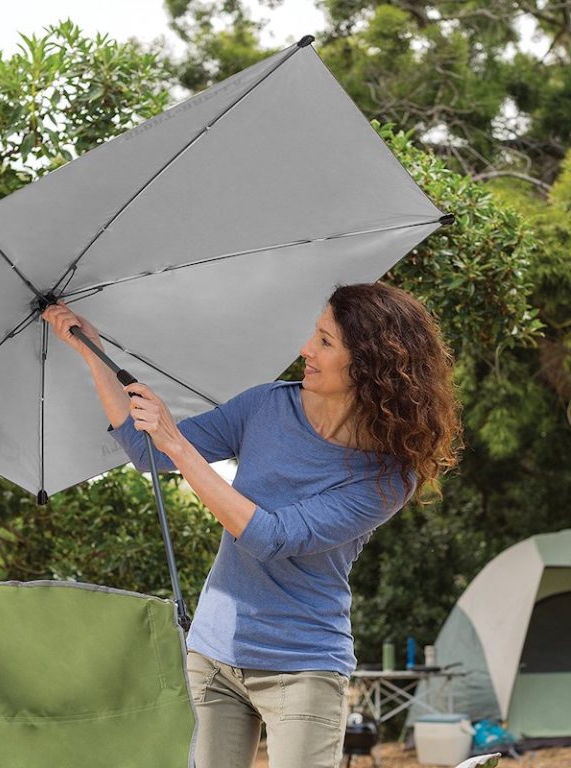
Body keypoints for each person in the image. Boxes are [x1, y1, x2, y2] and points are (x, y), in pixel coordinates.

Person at [41, 282, 461, 768]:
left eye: (325, 341)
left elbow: (272, 536)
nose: (306, 348)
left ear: (368, 364)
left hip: (303, 665)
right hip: (213, 653)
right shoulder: (266, 406)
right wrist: (92, 351)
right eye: (314, 334)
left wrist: (178, 443)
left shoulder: (388, 474)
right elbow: (147, 452)